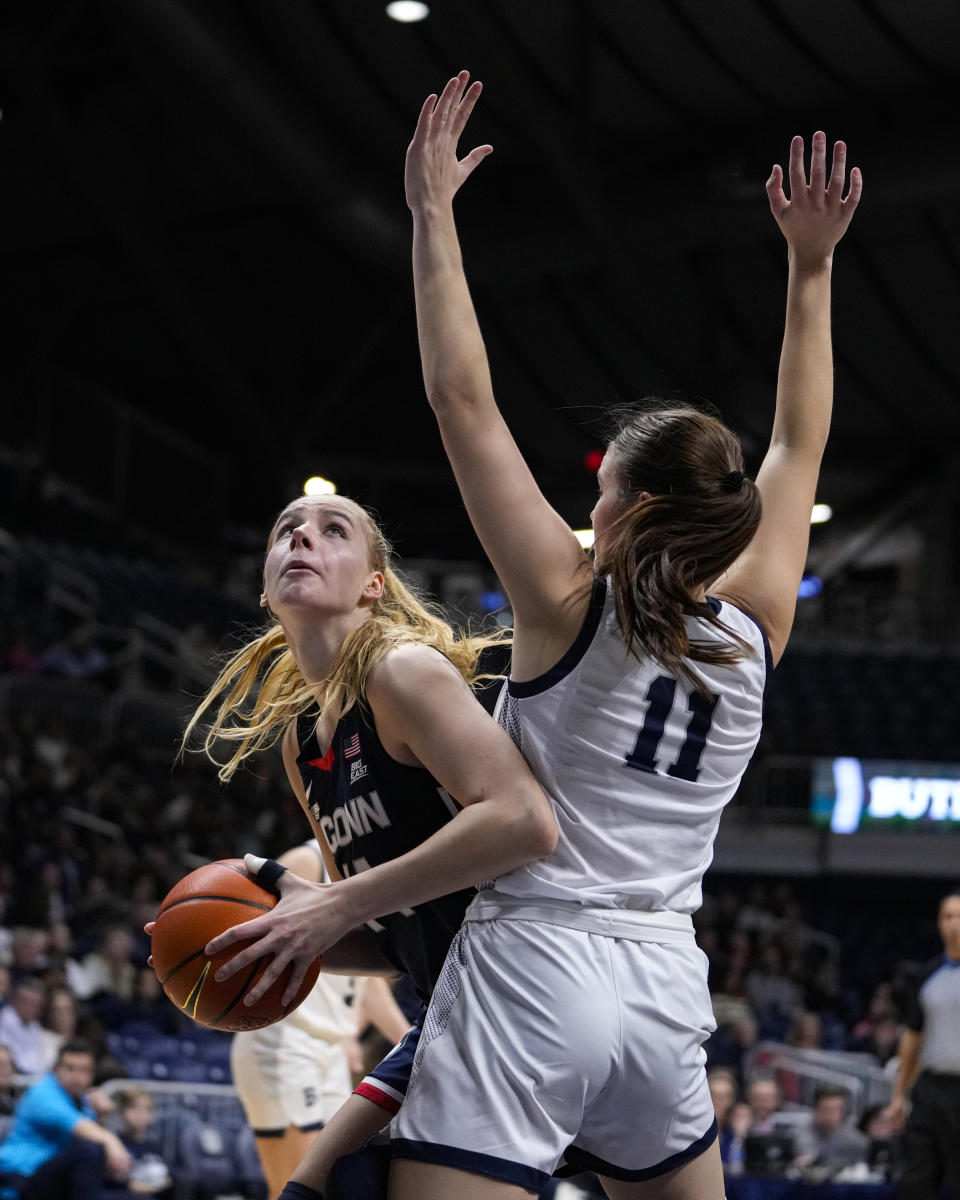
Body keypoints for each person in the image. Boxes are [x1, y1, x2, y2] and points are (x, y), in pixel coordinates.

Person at [384, 71, 861, 1200]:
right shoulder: (759, 623)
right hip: (661, 984)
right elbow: (799, 446)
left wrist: (431, 217)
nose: (582, 505)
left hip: (536, 961)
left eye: (599, 489)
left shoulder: (563, 593)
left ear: (635, 513)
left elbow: (462, 399)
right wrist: (813, 267)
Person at [163, 492, 557, 1196]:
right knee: (313, 1189)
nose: (302, 539)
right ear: (264, 585)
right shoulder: (300, 742)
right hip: (451, 1005)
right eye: (286, 530)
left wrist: (332, 905)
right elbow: (390, 928)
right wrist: (248, 942)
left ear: (373, 587)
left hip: (526, 996)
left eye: (332, 531)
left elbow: (526, 821)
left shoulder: (402, 672)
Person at [229, 840, 411, 1199]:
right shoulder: (307, 860)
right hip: (285, 1040)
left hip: (328, 1047)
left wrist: (415, 1042)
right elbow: (239, 924)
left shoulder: (371, 871)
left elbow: (368, 985)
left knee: (333, 1184)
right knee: (299, 1187)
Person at [882, 886, 960, 1200]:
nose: (954, 923)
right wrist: (899, 1094)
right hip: (931, 1089)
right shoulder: (928, 973)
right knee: (915, 1179)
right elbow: (913, 1038)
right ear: (940, 922)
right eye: (948, 916)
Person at [0, 1037, 131, 1199]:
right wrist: (110, 1140)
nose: (76, 1076)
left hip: (59, 1179)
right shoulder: (42, 1093)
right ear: (56, 1069)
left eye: (84, 1070)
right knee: (89, 1150)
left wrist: (101, 1116)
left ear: (92, 1074)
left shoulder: (84, 1101)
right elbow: (76, 1125)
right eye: (70, 1068)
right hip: (21, 1177)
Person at [791, 1085, 868, 1180]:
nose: (831, 1115)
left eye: (837, 1109)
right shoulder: (802, 1131)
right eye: (826, 1109)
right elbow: (807, 1157)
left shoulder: (854, 1138)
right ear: (815, 1110)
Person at [0, 979, 47, 1078]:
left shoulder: (35, 1026)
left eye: (36, 1004)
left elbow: (37, 1059)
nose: (31, 1008)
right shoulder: (3, 1018)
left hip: (30, 1077)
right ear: (14, 1001)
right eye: (27, 1002)